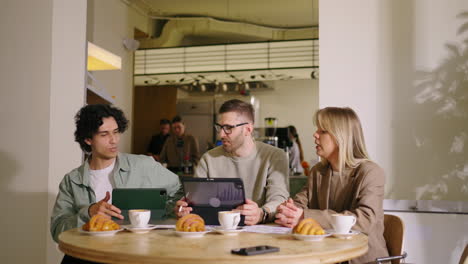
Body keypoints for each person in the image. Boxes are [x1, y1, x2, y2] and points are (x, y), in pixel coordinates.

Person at [50, 104, 180, 251]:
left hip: (135, 254)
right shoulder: (72, 180)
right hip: (88, 256)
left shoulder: (143, 165)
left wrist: (175, 209)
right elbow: (57, 231)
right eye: (104, 134)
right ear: (88, 139)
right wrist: (88, 213)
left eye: (116, 132)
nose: (114, 140)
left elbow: (180, 192)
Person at [275, 107, 388, 264]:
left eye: (323, 131)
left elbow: (364, 220)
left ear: (341, 136)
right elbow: (300, 202)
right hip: (326, 256)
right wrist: (288, 210)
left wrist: (303, 216)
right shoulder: (317, 172)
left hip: (362, 260)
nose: (315, 135)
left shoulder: (370, 172)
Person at [175, 99, 289, 225]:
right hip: (215, 233)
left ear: (248, 129)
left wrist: (261, 213)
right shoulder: (208, 159)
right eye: (219, 127)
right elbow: (195, 201)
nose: (221, 135)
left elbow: (279, 199)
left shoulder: (274, 156)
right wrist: (185, 208)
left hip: (259, 234)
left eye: (228, 128)